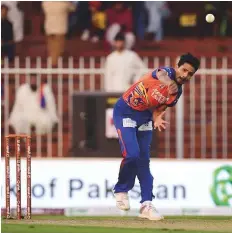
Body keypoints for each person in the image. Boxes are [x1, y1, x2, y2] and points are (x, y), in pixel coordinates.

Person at [113, 53, 200, 220]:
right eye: (184, 70)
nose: (185, 75)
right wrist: (169, 83)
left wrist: (158, 117)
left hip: (145, 118)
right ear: (177, 66)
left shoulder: (177, 93)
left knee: (144, 162)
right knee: (132, 155)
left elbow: (159, 109)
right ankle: (121, 190)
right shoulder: (165, 72)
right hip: (125, 113)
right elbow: (161, 75)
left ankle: (146, 205)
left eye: (190, 74)